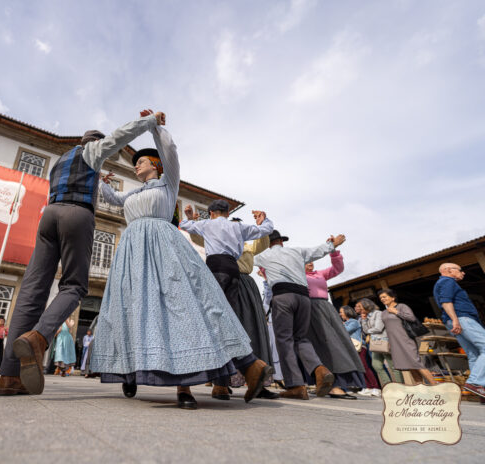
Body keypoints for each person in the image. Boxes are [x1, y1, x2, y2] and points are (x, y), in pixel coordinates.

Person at [90, 112, 271, 410]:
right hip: (133, 254)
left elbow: (170, 152)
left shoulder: (167, 184)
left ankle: (190, 383)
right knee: (133, 309)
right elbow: (110, 197)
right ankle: (132, 368)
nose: (137, 164)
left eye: (143, 161)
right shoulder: (132, 195)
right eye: (136, 161)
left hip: (164, 248)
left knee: (183, 306)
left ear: (156, 165)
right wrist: (99, 179)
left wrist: (156, 128)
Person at [0, 110, 167, 397]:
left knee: (31, 290)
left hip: (48, 216)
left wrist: (99, 179)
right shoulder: (93, 150)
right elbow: (121, 134)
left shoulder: (61, 161)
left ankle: (9, 377)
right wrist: (150, 122)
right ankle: (38, 338)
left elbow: (86, 180)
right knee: (74, 286)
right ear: (96, 143)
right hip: (76, 216)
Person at [179, 203, 274, 400]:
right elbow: (266, 229)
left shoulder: (208, 225)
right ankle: (240, 371)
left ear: (212, 213)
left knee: (215, 321)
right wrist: (264, 220)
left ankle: (247, 367)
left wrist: (190, 218)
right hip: (234, 274)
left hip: (219, 272)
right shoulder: (239, 229)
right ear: (229, 213)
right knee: (226, 322)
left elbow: (186, 226)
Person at [254, 230, 346, 400]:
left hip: (283, 296)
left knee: (284, 340)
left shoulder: (263, 255)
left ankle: (296, 385)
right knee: (301, 338)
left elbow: (242, 258)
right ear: (281, 241)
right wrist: (334, 244)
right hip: (304, 297)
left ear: (265, 242)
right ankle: (320, 369)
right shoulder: (296, 251)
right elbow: (318, 250)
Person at [304, 252, 365, 399]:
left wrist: (334, 252)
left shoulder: (320, 274)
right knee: (324, 345)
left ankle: (338, 383)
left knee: (339, 344)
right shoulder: (296, 276)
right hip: (311, 310)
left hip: (327, 308)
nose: (310, 263)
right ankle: (332, 385)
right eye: (306, 261)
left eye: (312, 260)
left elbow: (337, 268)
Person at [434, 263, 485, 398]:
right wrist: (455, 319)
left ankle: (480, 389)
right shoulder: (447, 281)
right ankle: (475, 382)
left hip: (457, 320)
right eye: (461, 270)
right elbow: (446, 301)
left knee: (473, 354)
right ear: (449, 270)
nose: (463, 273)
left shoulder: (443, 283)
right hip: (462, 319)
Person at [377, 289, 435, 385]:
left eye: (384, 297)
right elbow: (387, 328)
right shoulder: (383, 313)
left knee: (416, 363)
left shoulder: (401, 306)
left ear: (393, 297)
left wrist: (396, 312)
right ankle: (419, 386)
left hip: (405, 339)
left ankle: (435, 385)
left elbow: (411, 318)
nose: (382, 299)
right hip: (394, 342)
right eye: (380, 298)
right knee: (409, 365)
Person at [357, 298, 403, 387]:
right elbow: (366, 331)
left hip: (383, 341)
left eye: (361, 307)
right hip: (375, 344)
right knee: (376, 365)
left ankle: (400, 386)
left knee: (392, 365)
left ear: (367, 306)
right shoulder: (367, 317)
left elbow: (378, 328)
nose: (360, 309)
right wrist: (363, 320)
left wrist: (369, 331)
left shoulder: (378, 313)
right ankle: (388, 386)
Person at [341, 305, 381, 397]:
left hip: (359, 347)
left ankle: (376, 387)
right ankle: (368, 387)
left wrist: (340, 325)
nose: (340, 314)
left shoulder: (353, 322)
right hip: (352, 348)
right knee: (360, 368)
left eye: (341, 312)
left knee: (365, 367)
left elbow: (345, 331)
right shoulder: (345, 322)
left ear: (347, 312)